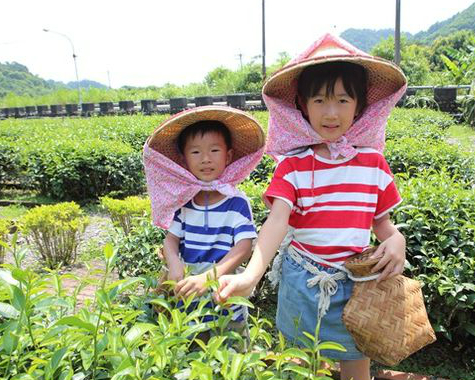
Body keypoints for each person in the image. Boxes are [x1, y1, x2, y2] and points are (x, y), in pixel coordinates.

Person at [215, 34, 408, 380]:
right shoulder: (293, 166)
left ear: (359, 105)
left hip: (355, 286)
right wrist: (250, 275)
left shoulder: (373, 164)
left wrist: (396, 240)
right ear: (303, 105)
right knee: (299, 365)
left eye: (342, 100)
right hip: (302, 282)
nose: (330, 112)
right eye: (319, 100)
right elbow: (276, 223)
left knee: (355, 368)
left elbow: (383, 224)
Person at [143, 105, 265, 346]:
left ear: (228, 156)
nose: (206, 158)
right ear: (184, 159)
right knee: (194, 342)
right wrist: (174, 263)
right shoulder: (184, 201)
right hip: (188, 288)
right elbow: (170, 239)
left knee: (230, 343)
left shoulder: (236, 201)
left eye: (214, 150)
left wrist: (209, 277)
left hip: (224, 285)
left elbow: (244, 247)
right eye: (196, 152)